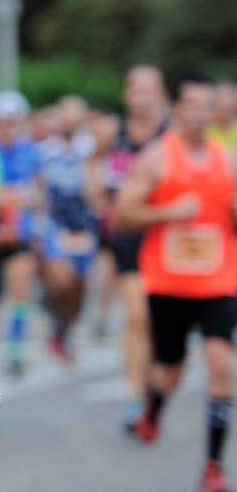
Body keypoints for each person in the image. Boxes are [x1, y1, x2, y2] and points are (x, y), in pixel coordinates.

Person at [116, 74, 236, 492]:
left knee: (221, 365)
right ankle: (152, 411)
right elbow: (123, 213)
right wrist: (168, 213)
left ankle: (213, 467)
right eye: (193, 105)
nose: (202, 113)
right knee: (170, 371)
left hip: (220, 281)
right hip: (168, 284)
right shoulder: (156, 158)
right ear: (179, 110)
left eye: (209, 105)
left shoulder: (229, 160)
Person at [86, 64, 168, 431]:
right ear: (127, 93)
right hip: (125, 235)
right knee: (136, 316)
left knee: (156, 321)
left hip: (164, 237)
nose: (142, 97)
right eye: (137, 90)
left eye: (150, 90)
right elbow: (89, 165)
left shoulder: (171, 137)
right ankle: (134, 395)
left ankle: (150, 382)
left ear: (161, 94)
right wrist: (99, 200)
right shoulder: (111, 132)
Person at [36, 94, 99, 362]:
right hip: (55, 223)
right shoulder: (45, 151)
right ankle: (53, 309)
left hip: (83, 224)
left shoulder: (91, 148)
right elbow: (38, 189)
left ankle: (64, 326)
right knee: (61, 280)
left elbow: (95, 190)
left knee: (79, 283)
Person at [0, 90, 41, 375]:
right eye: (3, 121)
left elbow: (36, 193)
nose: (8, 126)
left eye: (13, 121)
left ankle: (17, 347)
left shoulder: (31, 151)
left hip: (19, 234)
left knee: (21, 291)